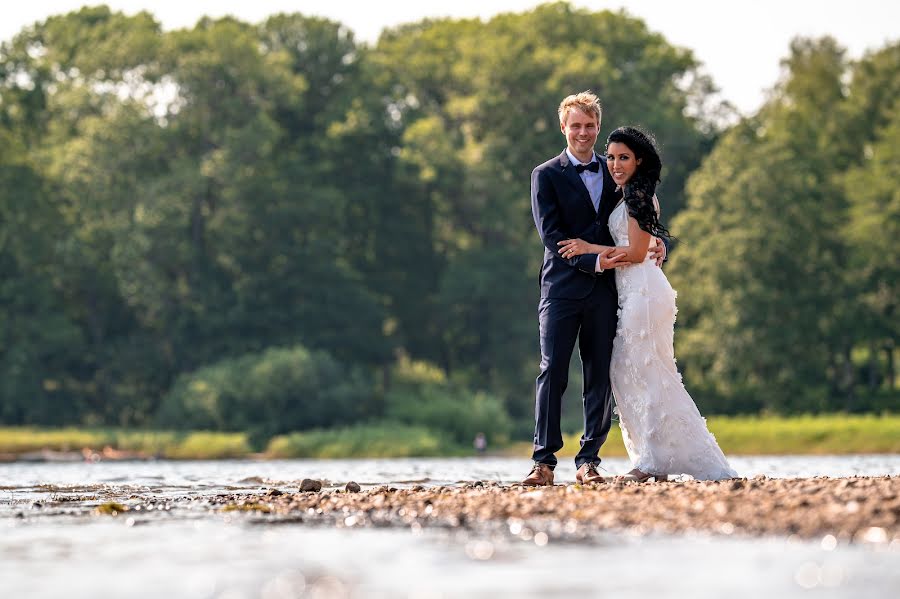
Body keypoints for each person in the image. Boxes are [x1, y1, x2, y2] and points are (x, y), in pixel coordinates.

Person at [557, 126, 737, 482]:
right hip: (631, 292)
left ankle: (653, 462)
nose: (615, 164)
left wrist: (588, 248)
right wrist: (655, 242)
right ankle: (654, 456)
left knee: (644, 370)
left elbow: (637, 252)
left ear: (639, 160)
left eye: (623, 157)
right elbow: (645, 243)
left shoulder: (638, 196)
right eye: (610, 156)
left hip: (645, 293)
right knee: (630, 371)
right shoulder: (626, 194)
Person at [522, 92, 666, 487]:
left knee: (599, 373)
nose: (582, 132)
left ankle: (589, 461)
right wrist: (595, 260)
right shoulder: (545, 175)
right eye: (575, 126)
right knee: (552, 371)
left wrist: (656, 239)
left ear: (597, 127)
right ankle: (543, 461)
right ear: (563, 128)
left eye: (589, 126)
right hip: (562, 288)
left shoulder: (616, 168)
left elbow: (640, 209)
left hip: (607, 291)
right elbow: (553, 238)